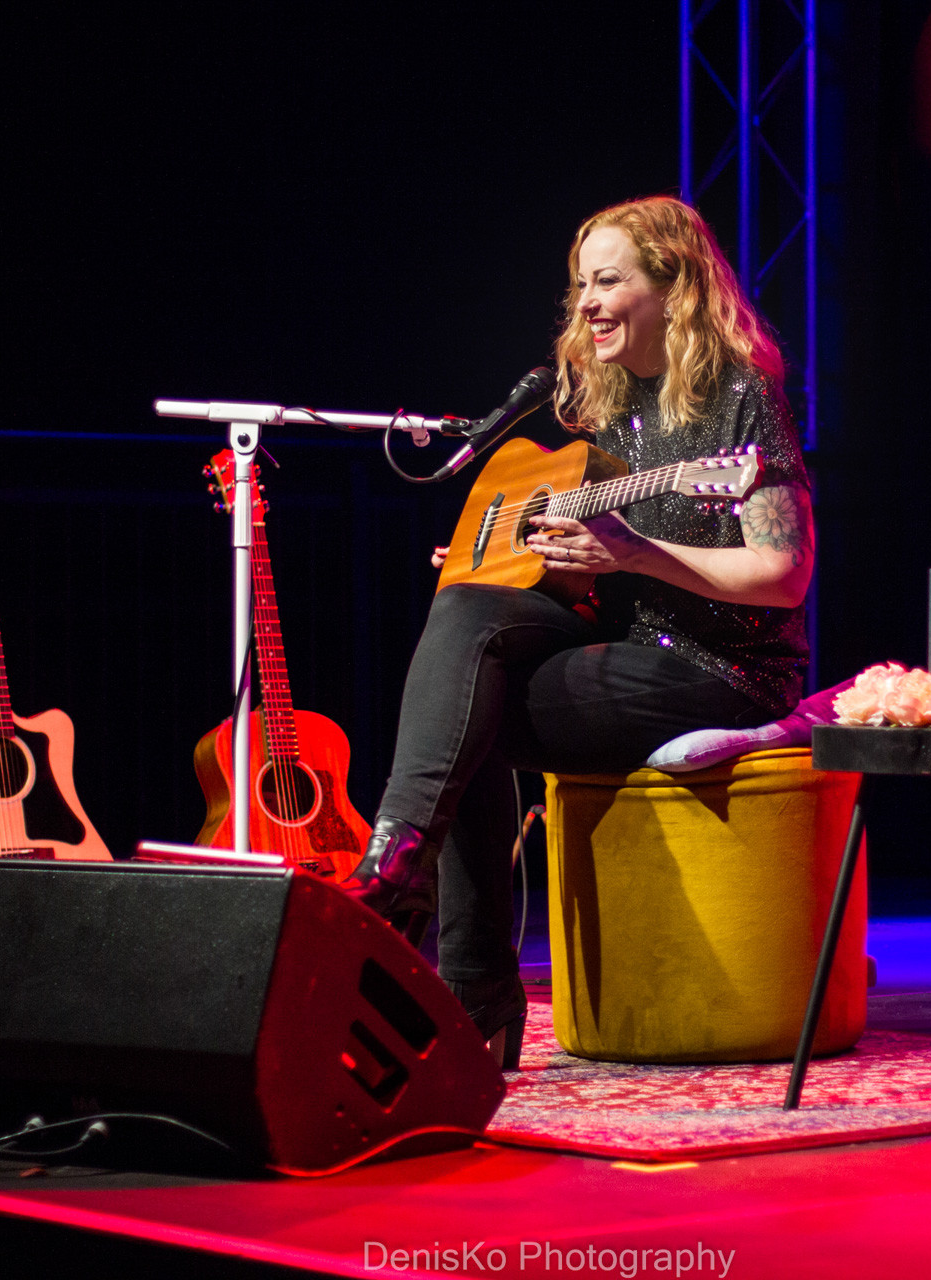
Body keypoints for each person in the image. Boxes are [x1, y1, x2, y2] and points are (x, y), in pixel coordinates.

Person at [346, 195, 815, 1068]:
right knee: (467, 614)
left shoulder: (740, 398)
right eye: (579, 286)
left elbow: (785, 576)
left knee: (467, 715)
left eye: (608, 281)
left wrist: (634, 553)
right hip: (629, 646)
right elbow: (595, 571)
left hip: (724, 667)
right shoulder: (605, 408)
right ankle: (413, 878)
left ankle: (456, 970)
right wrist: (524, 552)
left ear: (672, 288)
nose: (586, 303)